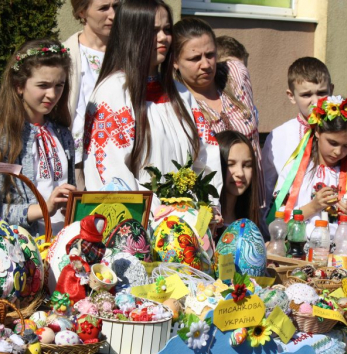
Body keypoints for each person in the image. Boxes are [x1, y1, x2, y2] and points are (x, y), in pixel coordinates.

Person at [82, 0, 222, 199]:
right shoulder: (113, 94)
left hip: (186, 222)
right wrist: (159, 213)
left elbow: (206, 158)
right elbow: (111, 172)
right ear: (131, 34)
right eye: (153, 30)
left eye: (166, 29)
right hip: (138, 221)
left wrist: (203, 208)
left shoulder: (181, 94)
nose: (163, 37)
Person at [0, 39, 76, 236]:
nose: (52, 94)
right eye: (43, 85)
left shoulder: (62, 133)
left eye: (59, 85)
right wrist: (44, 209)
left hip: (63, 245)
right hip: (23, 249)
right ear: (19, 85)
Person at [172, 18, 258, 204]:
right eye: (195, 58)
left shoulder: (235, 74)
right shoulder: (178, 104)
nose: (206, 64)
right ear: (175, 61)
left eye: (210, 55)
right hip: (213, 208)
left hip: (252, 202)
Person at [272, 96, 347, 238]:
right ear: (317, 131)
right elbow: (279, 218)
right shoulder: (296, 170)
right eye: (333, 143)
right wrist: (314, 206)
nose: (338, 152)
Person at [261, 57, 333, 213]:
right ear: (291, 95)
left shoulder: (342, 132)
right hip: (291, 225)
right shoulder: (278, 136)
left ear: (331, 90)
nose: (315, 101)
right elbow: (267, 188)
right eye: (306, 95)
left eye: (322, 93)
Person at [63, 0, 118, 189]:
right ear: (82, 12)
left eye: (116, 7)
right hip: (78, 162)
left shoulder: (127, 55)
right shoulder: (66, 55)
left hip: (119, 159)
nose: (113, 15)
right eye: (103, 8)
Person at [215, 130, 265, 238]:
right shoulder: (205, 219)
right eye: (231, 164)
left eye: (247, 165)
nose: (240, 173)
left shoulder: (250, 220)